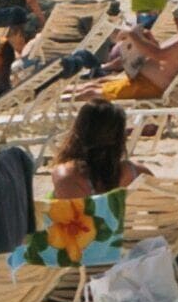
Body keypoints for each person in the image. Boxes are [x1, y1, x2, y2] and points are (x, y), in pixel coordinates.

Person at [47, 97, 150, 270]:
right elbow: (168, 219)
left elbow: (78, 241)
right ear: (120, 136)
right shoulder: (138, 173)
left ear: (79, 131)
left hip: (83, 271)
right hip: (122, 260)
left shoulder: (67, 177)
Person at [94, 0, 178, 101]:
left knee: (89, 93)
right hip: (144, 81)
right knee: (97, 84)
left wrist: (133, 35)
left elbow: (158, 54)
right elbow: (164, 54)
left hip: (150, 86)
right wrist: (149, 38)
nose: (175, 20)